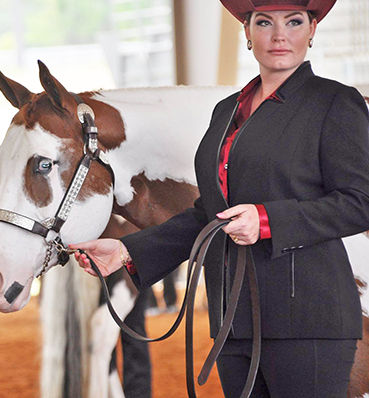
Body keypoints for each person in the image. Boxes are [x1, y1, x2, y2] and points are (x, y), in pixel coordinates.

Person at [71, 0, 369, 396]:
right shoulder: (227, 112)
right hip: (234, 320)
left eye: (293, 21)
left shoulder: (335, 103)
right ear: (247, 32)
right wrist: (128, 251)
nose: (279, 35)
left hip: (308, 322)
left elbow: (360, 201)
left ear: (312, 30)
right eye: (264, 22)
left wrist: (266, 221)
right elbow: (209, 213)